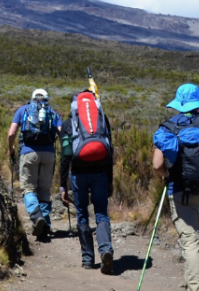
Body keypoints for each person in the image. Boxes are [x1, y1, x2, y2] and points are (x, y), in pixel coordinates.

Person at [151, 83, 199, 291]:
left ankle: (198, 287)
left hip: (179, 190)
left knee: (190, 239)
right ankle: (195, 281)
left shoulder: (168, 128)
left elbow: (157, 165)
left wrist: (167, 176)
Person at [59, 88, 115, 274]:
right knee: (101, 214)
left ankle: (88, 259)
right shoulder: (102, 120)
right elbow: (110, 151)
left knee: (82, 214)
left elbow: (65, 157)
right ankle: (105, 249)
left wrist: (62, 185)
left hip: (78, 174)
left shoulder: (69, 123)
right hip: (101, 172)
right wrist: (110, 180)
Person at [7, 88, 62, 241]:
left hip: (28, 153)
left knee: (28, 189)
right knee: (44, 190)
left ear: (32, 98)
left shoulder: (23, 110)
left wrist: (11, 149)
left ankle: (37, 216)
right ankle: (44, 226)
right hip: (49, 154)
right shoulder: (53, 113)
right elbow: (62, 134)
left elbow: (11, 133)